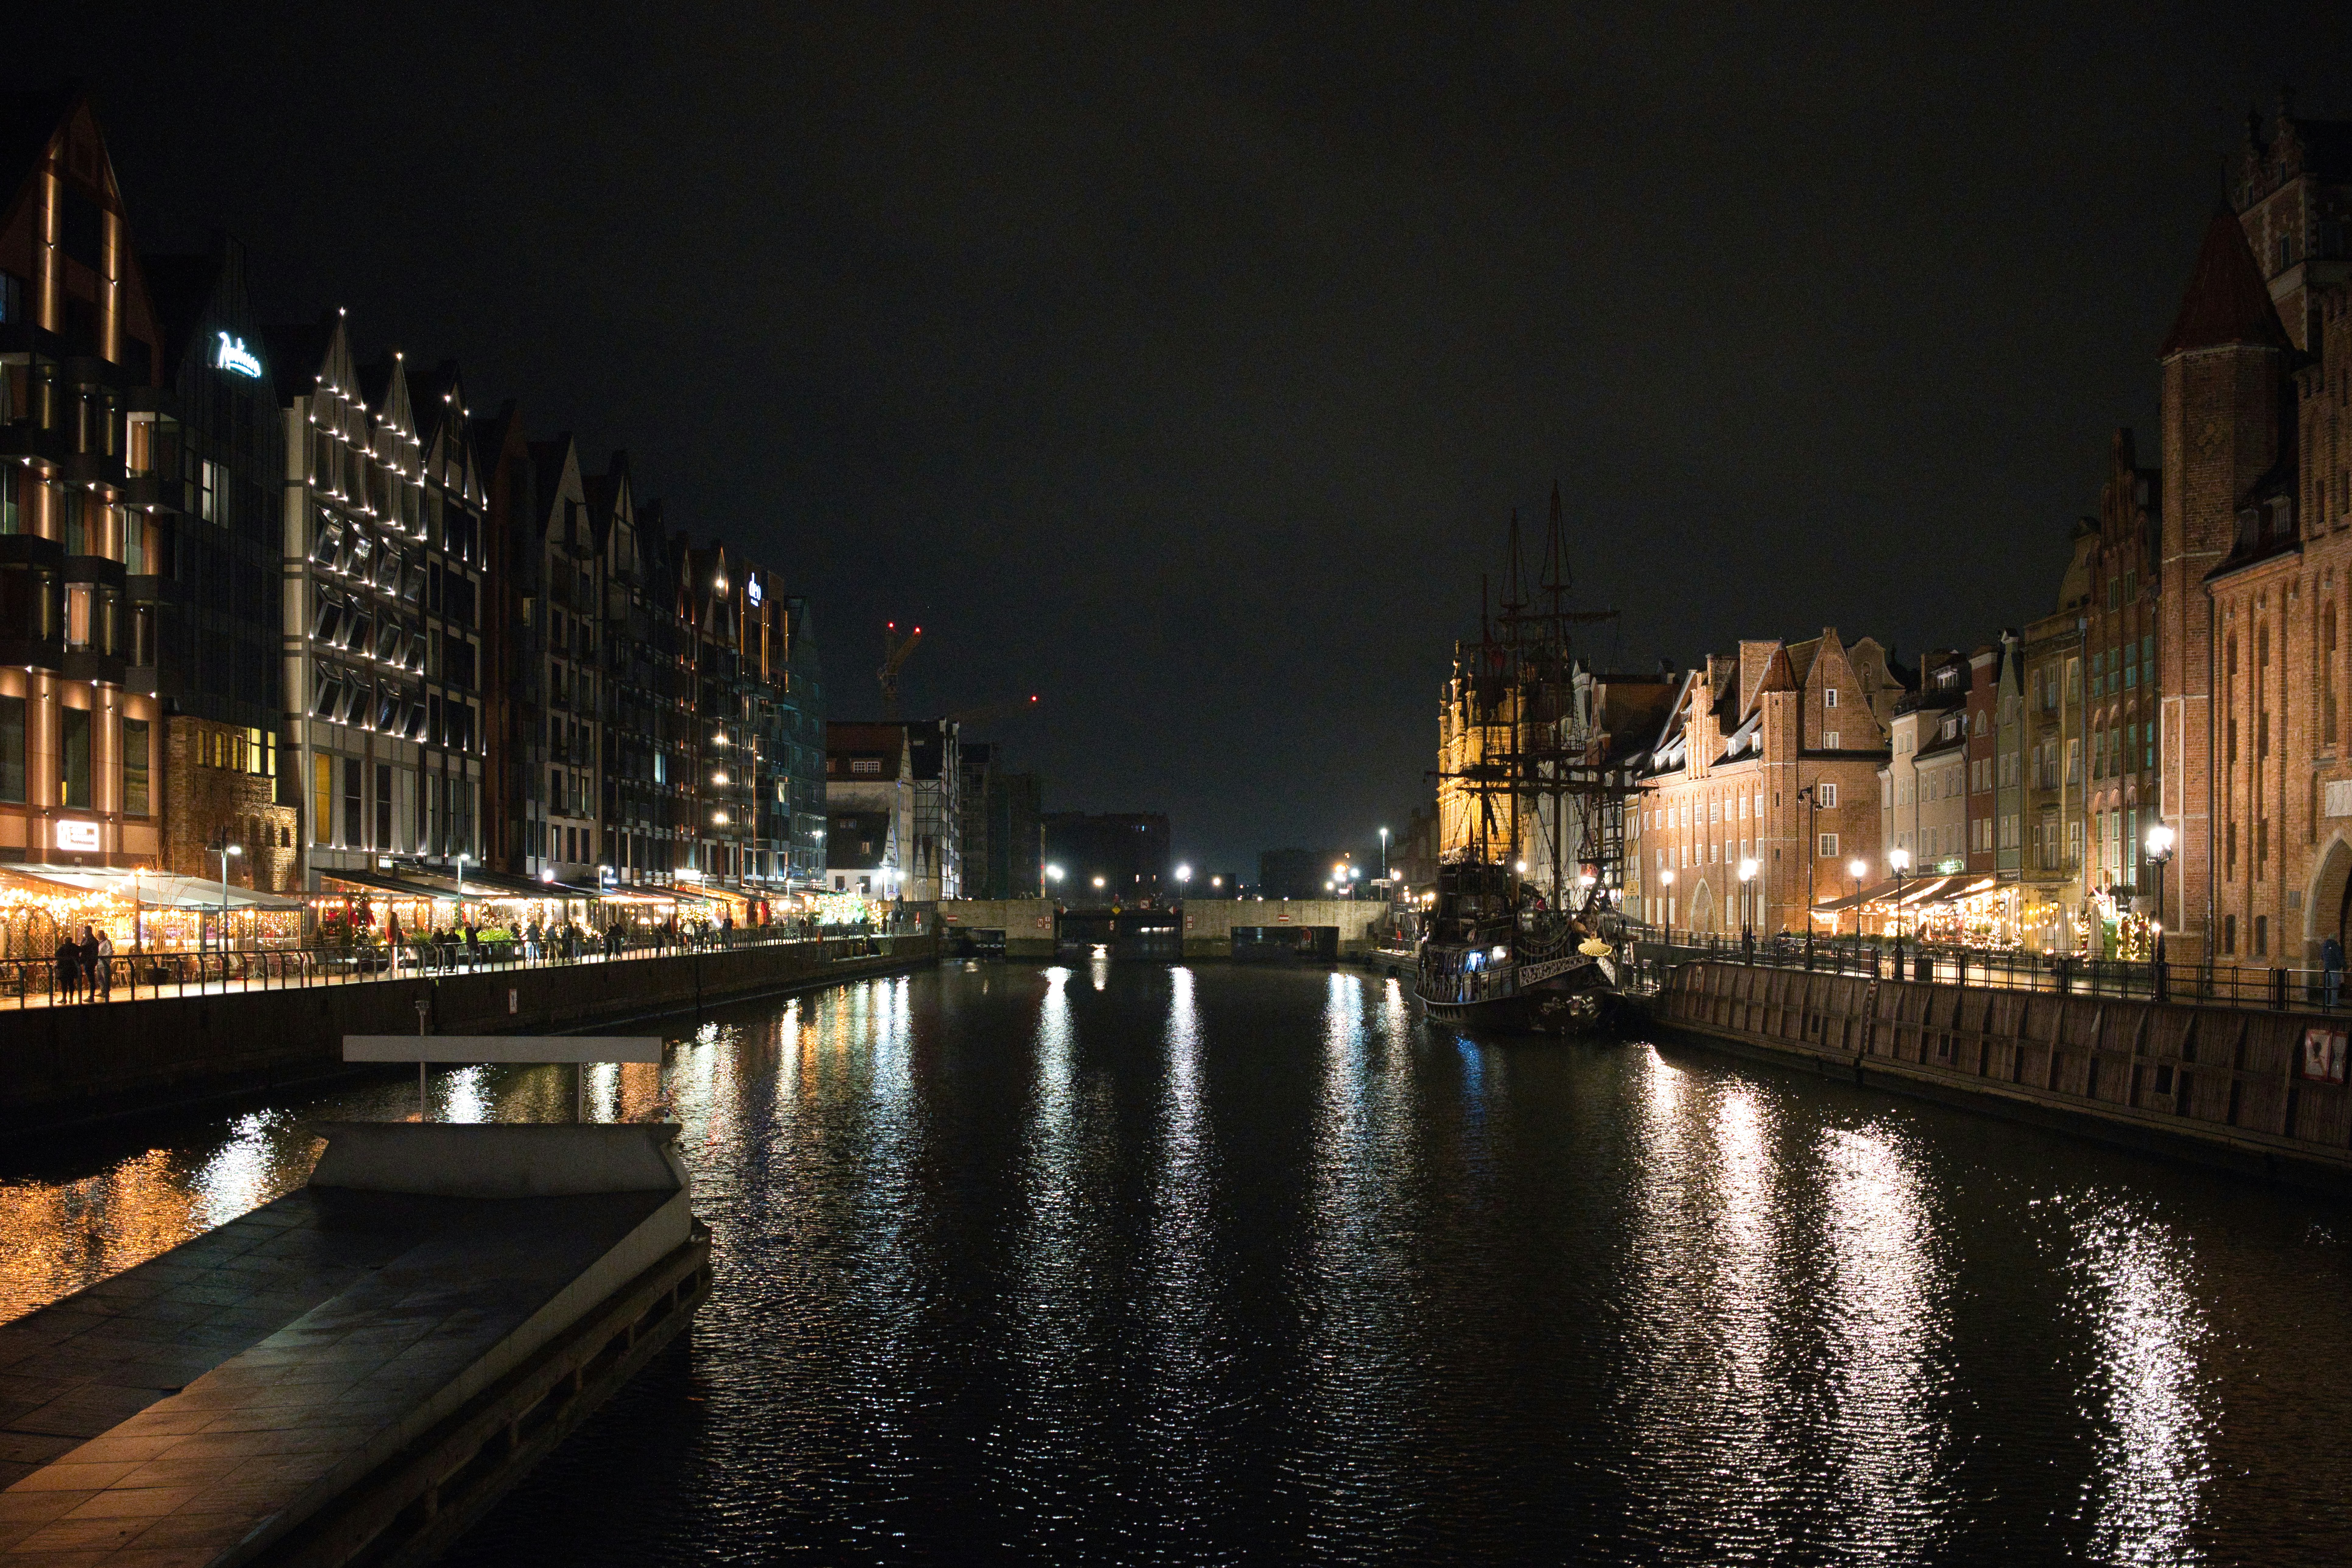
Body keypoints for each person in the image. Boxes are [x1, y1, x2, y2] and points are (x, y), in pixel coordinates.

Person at [53, 934, 79, 1005]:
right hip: (72, 968)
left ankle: (64, 998)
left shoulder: (63, 947)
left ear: (65, 941)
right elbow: (80, 951)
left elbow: (57, 955)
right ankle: (71, 998)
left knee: (64, 984)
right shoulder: (75, 947)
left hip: (64, 968)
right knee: (71, 983)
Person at [93, 926, 114, 1001]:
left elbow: (110, 951)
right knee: (100, 978)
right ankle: (103, 991)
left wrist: (103, 957)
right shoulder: (99, 943)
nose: (98, 936)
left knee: (106, 978)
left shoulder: (107, 942)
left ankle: (107, 992)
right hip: (99, 963)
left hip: (105, 963)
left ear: (103, 935)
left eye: (99, 935)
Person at [2326, 933, 2345, 1010]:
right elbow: (2340, 957)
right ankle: (2334, 1002)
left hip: (2326, 969)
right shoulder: (2335, 946)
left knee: (2327, 987)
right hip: (2335, 969)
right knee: (2335, 986)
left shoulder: (2325, 946)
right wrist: (2346, 967)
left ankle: (2326, 1002)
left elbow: (2322, 957)